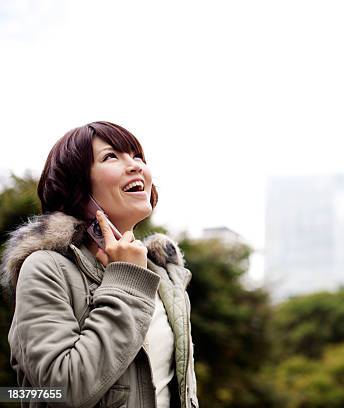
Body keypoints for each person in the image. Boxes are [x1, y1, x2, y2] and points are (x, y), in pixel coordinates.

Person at [1, 121, 199, 407]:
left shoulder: (164, 276)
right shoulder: (46, 268)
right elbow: (63, 390)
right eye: (111, 156)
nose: (135, 166)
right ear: (78, 187)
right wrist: (126, 279)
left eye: (137, 156)